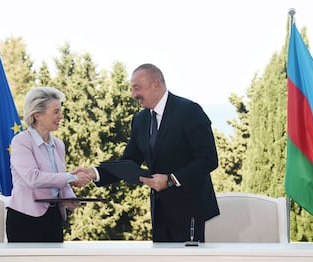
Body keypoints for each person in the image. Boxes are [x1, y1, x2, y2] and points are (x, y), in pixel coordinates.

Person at [75, 63, 219, 242]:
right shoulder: (140, 120)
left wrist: (170, 180)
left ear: (156, 85)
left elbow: (208, 159)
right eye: (132, 89)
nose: (133, 95)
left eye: (137, 88)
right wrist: (94, 173)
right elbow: (129, 162)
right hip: (159, 211)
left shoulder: (189, 111)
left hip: (190, 210)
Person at [6, 86, 91, 242]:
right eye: (56, 112)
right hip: (25, 219)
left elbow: (60, 181)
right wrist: (71, 177)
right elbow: (33, 178)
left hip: (53, 218)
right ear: (37, 115)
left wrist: (70, 198)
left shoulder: (58, 145)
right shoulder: (21, 142)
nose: (61, 116)